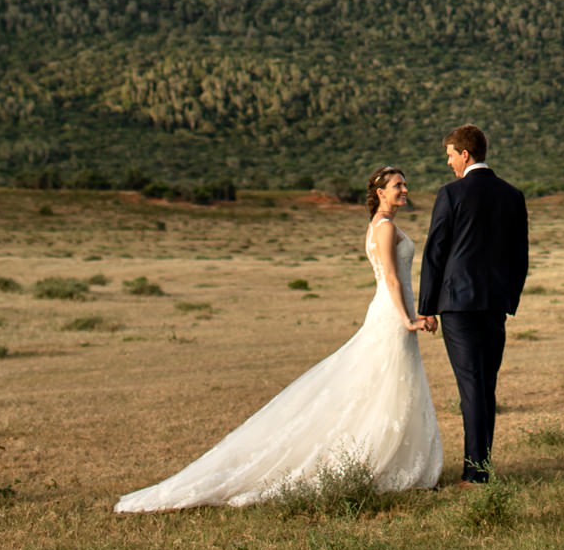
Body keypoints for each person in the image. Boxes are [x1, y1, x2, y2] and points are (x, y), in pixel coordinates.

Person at [114, 166, 442, 509]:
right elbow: (390, 278)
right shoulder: (385, 227)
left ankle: (393, 460)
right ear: (380, 192)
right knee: (383, 387)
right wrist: (408, 319)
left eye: (404, 184)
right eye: (398, 185)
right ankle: (378, 462)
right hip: (391, 316)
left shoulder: (378, 226)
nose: (405, 190)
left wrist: (411, 314)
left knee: (388, 387)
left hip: (391, 313)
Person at [417, 123, 529, 483]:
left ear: (465, 154)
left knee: (472, 388)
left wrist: (426, 306)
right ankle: (481, 467)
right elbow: (520, 257)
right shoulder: (513, 196)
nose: (449, 163)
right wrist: (508, 300)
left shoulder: (451, 194)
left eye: (450, 155)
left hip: (458, 305)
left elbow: (435, 252)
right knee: (485, 386)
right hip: (495, 305)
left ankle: (476, 473)